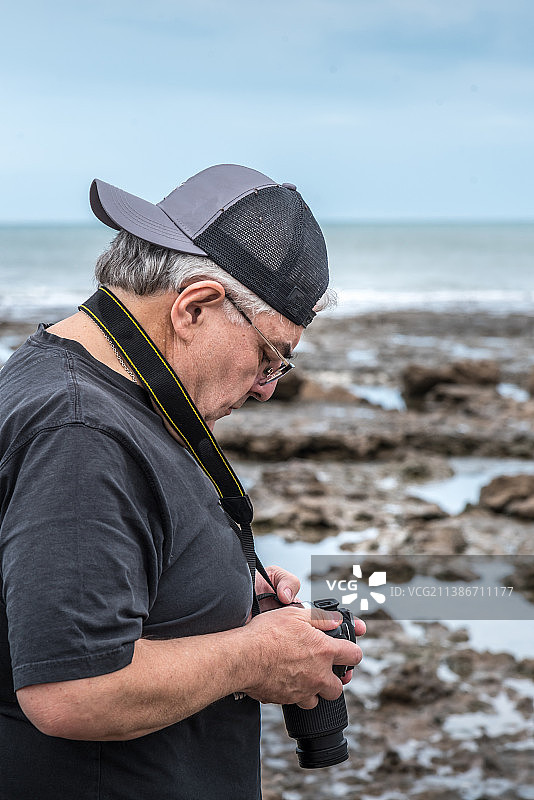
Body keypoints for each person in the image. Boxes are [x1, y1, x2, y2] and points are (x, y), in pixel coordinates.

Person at [0, 164, 364, 799]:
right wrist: (256, 657)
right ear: (196, 306)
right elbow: (71, 692)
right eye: (270, 354)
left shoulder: (110, 394)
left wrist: (216, 590)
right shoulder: (83, 432)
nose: (268, 387)